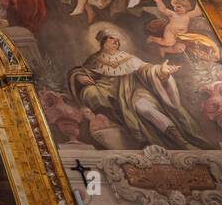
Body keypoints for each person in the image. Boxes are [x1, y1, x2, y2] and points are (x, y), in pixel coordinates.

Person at [69, 30, 213, 150]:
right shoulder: (94, 59)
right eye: (112, 39)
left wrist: (161, 70)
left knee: (145, 109)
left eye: (117, 40)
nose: (116, 42)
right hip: (109, 92)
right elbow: (82, 72)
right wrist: (81, 77)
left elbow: (146, 69)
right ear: (103, 41)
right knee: (90, 92)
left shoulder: (127, 58)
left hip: (134, 91)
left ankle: (183, 143)